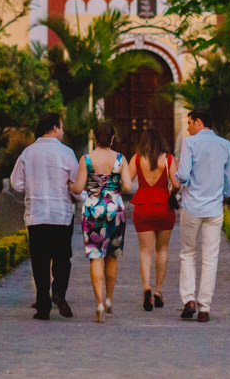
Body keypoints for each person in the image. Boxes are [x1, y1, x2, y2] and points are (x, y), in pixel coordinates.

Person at [10, 111, 78, 320]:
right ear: (55, 127)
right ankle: (58, 292)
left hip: (36, 214)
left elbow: (16, 183)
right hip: (61, 214)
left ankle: (43, 305)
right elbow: (76, 185)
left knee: (39, 261)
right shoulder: (67, 153)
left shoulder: (28, 153)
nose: (63, 130)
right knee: (62, 257)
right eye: (62, 126)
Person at [175, 107, 230, 323]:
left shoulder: (190, 143)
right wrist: (223, 195)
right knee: (210, 257)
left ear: (199, 122)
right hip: (214, 209)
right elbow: (229, 182)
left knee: (188, 253)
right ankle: (204, 308)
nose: (188, 127)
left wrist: (177, 179)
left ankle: (188, 299)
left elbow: (182, 175)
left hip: (191, 207)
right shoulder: (226, 145)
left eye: (190, 122)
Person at [70, 119, 130, 322]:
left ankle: (99, 303)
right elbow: (129, 187)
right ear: (113, 138)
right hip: (115, 209)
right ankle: (110, 298)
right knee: (112, 255)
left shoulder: (86, 159)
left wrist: (72, 186)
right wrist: (115, 183)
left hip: (93, 208)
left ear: (95, 138)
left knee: (96, 255)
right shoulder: (120, 159)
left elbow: (78, 189)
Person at [123, 125, 177, 311]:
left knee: (145, 251)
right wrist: (172, 191)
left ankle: (146, 286)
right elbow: (176, 182)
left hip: (143, 206)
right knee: (162, 250)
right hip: (164, 206)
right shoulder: (168, 159)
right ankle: (158, 291)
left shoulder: (137, 159)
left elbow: (127, 183)